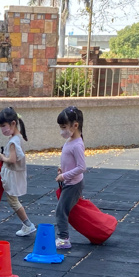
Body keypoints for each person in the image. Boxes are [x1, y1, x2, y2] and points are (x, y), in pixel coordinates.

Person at [0, 107, 36, 237]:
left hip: (12, 174)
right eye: (1, 127)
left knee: (13, 201)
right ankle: (27, 224)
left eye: (4, 126)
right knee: (13, 199)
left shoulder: (13, 142)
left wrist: (3, 157)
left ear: (13, 123)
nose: (2, 129)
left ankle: (28, 224)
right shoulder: (18, 137)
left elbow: (12, 160)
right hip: (15, 173)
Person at [54, 105, 87, 250]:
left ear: (75, 125)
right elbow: (71, 161)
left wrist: (64, 175)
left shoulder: (77, 144)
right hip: (69, 182)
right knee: (68, 210)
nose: (62, 131)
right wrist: (63, 169)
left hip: (73, 184)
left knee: (60, 211)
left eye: (64, 127)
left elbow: (81, 167)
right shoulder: (70, 141)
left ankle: (64, 239)